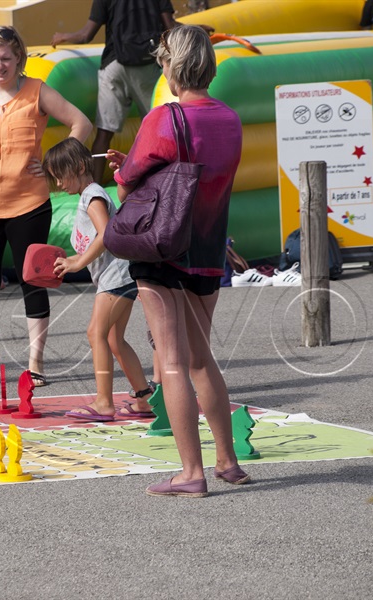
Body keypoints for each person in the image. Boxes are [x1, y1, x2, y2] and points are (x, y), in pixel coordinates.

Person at [108, 25, 248, 497]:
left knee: (170, 361)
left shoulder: (165, 118)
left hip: (165, 248)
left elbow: (127, 185)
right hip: (209, 248)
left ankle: (191, 472)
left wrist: (122, 167)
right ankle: (228, 460)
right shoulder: (230, 119)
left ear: (171, 66)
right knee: (200, 360)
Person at [0, 26, 92, 389]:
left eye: (6, 58)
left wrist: (56, 164)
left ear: (19, 58)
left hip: (29, 203)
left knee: (32, 281)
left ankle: (35, 364)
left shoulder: (37, 90)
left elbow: (81, 123)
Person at [44, 138, 153, 421]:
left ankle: (104, 403)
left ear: (80, 166)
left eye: (60, 175)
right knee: (115, 340)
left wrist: (78, 262)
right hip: (117, 276)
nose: (58, 184)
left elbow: (106, 233)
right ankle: (145, 399)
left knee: (96, 333)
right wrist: (71, 258)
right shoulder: (87, 196)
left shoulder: (91, 195)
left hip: (116, 276)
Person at [51, 0, 176, 184]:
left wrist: (64, 36)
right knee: (159, 128)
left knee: (104, 134)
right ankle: (161, 183)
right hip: (146, 67)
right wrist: (196, 29)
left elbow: (86, 35)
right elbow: (170, 27)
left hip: (114, 66)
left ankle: (91, 190)